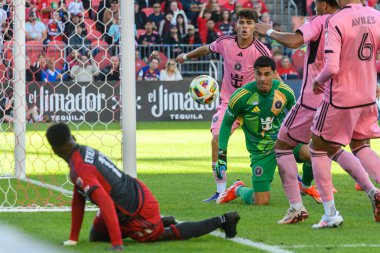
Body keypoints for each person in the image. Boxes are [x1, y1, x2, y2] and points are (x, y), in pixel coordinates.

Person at [45, 123, 240, 250]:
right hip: (128, 196)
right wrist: (73, 238)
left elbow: (104, 202)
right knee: (96, 236)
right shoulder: (83, 151)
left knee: (155, 237)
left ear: (55, 150)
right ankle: (163, 220)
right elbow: (79, 197)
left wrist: (117, 244)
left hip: (138, 207)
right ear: (73, 139)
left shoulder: (80, 168)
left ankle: (223, 220)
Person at [254, 0, 341, 224]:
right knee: (340, 149)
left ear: (323, 4)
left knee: (282, 147)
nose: (313, 6)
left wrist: (269, 31)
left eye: (316, 2)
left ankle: (296, 207)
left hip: (313, 99)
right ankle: (370, 190)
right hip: (339, 99)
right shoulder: (347, 23)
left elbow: (294, 41)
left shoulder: (318, 21)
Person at [176, 9, 272, 202]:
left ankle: (299, 182)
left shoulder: (261, 50)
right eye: (242, 22)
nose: (245, 27)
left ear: (255, 27)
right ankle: (221, 191)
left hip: (254, 107)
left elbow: (272, 77)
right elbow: (206, 49)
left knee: (275, 145)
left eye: (249, 23)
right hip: (229, 104)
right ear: (236, 24)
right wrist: (186, 56)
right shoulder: (225, 42)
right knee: (216, 140)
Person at [309, 0, 380, 228]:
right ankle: (372, 191)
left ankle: (330, 214)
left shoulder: (337, 20)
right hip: (368, 95)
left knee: (317, 147)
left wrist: (317, 82)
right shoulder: (376, 15)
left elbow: (331, 67)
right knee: (360, 146)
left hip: (341, 98)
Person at [214, 56, 313, 207]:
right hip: (261, 152)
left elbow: (298, 117)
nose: (262, 78)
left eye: (267, 74)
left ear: (274, 73)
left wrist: (304, 138)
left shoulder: (284, 92)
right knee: (261, 201)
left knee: (311, 154)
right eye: (258, 74)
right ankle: (238, 189)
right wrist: (222, 155)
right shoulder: (241, 96)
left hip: (283, 144)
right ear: (254, 74)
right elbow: (226, 125)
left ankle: (305, 186)